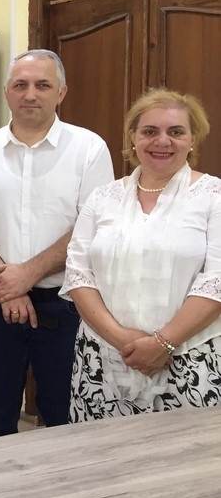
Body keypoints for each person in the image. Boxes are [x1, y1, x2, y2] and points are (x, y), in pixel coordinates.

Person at [0, 50, 113, 440]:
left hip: (67, 302)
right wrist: (7, 285)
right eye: (20, 85)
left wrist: (26, 275)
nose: (30, 94)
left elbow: (91, 226)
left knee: (65, 416)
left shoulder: (89, 148)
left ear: (61, 92)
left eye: (42, 85)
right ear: (7, 91)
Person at [62, 88, 221, 418]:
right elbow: (78, 275)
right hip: (103, 361)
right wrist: (122, 340)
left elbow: (216, 281)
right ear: (132, 137)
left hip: (191, 360)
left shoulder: (213, 196)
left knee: (186, 451)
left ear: (192, 139)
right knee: (101, 450)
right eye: (149, 131)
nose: (162, 141)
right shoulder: (102, 198)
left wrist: (162, 344)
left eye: (176, 131)